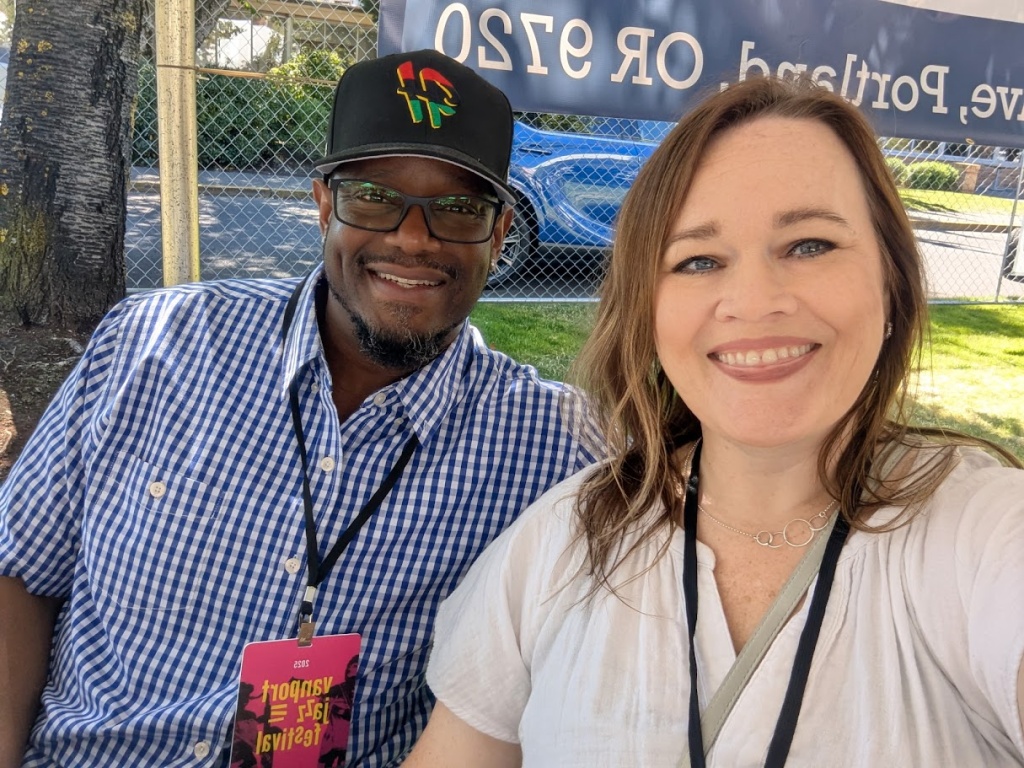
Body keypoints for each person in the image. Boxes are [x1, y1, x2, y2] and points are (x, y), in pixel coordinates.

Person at [404, 75, 1024, 767]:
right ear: (648, 312)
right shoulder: (554, 547)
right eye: (698, 259)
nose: (754, 301)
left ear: (891, 282)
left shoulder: (984, 534)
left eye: (810, 244)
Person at [0, 49, 597, 767]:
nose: (412, 237)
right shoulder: (152, 344)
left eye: (459, 209)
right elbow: (20, 569)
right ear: (323, 204)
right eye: (374, 196)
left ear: (500, 235)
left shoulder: (550, 447)